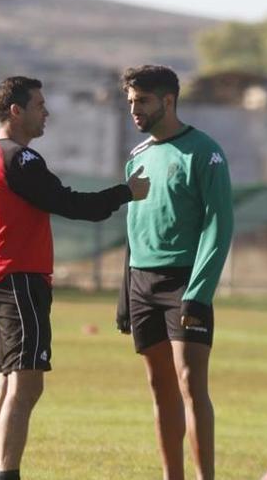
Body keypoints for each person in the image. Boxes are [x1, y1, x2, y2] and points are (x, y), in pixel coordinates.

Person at [0, 75, 150, 480]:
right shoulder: (21, 159)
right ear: (16, 111)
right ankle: (7, 474)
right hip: (18, 282)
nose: (46, 112)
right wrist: (127, 193)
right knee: (28, 384)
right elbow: (69, 202)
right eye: (39, 105)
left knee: (5, 381)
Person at [115, 65, 233, 480]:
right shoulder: (137, 158)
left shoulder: (205, 151)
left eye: (142, 101)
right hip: (142, 283)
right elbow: (133, 228)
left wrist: (199, 293)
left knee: (189, 382)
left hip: (185, 282)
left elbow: (220, 224)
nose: (134, 110)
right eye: (131, 102)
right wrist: (125, 291)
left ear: (168, 100)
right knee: (159, 387)